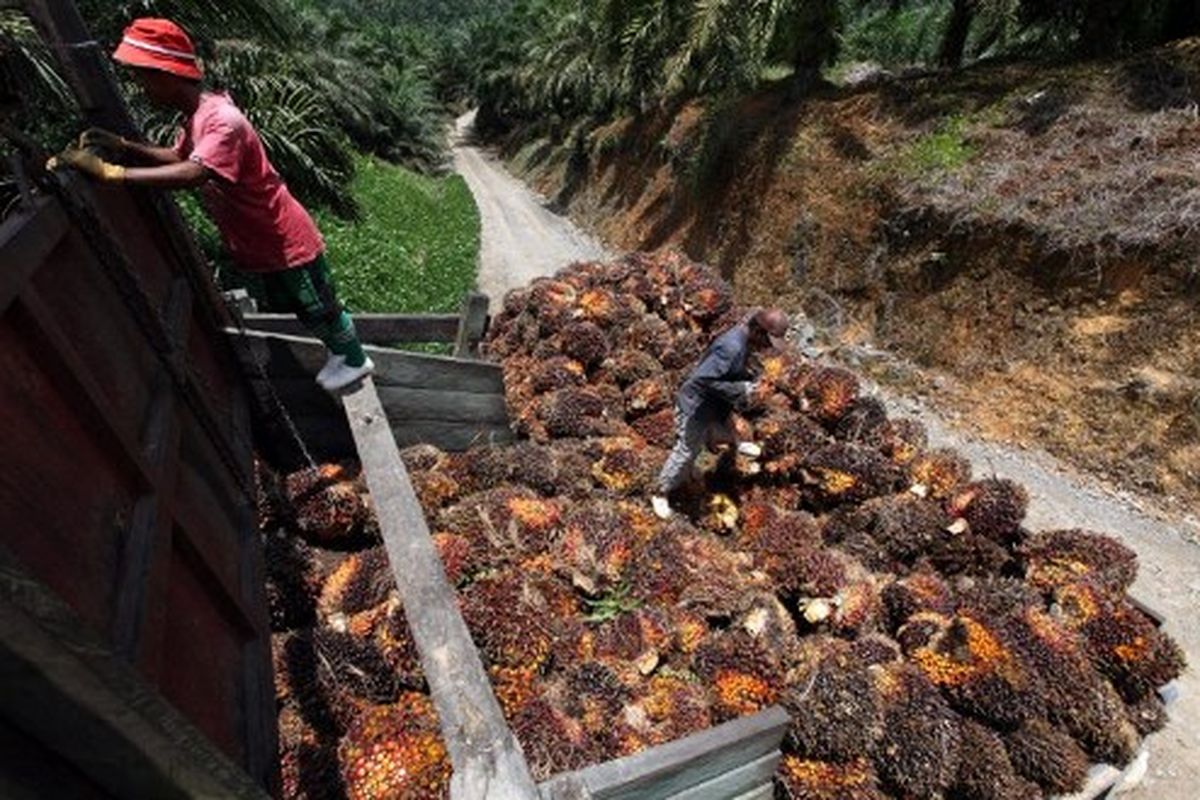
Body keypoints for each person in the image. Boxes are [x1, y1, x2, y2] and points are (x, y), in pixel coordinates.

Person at [48, 18, 372, 392]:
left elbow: (192, 173)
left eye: (145, 77)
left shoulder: (221, 121)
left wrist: (112, 173)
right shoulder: (200, 115)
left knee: (319, 304)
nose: (143, 87)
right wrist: (124, 145)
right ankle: (340, 354)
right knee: (303, 306)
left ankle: (353, 358)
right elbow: (178, 157)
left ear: (168, 73)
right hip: (265, 240)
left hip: (283, 235)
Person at [652, 308, 789, 519]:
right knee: (686, 451)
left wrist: (754, 379)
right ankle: (660, 492)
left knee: (727, 432)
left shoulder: (745, 338)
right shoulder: (731, 347)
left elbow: (731, 371)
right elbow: (704, 380)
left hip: (716, 404)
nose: (766, 347)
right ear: (758, 331)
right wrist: (744, 389)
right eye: (767, 341)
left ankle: (735, 444)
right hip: (696, 405)